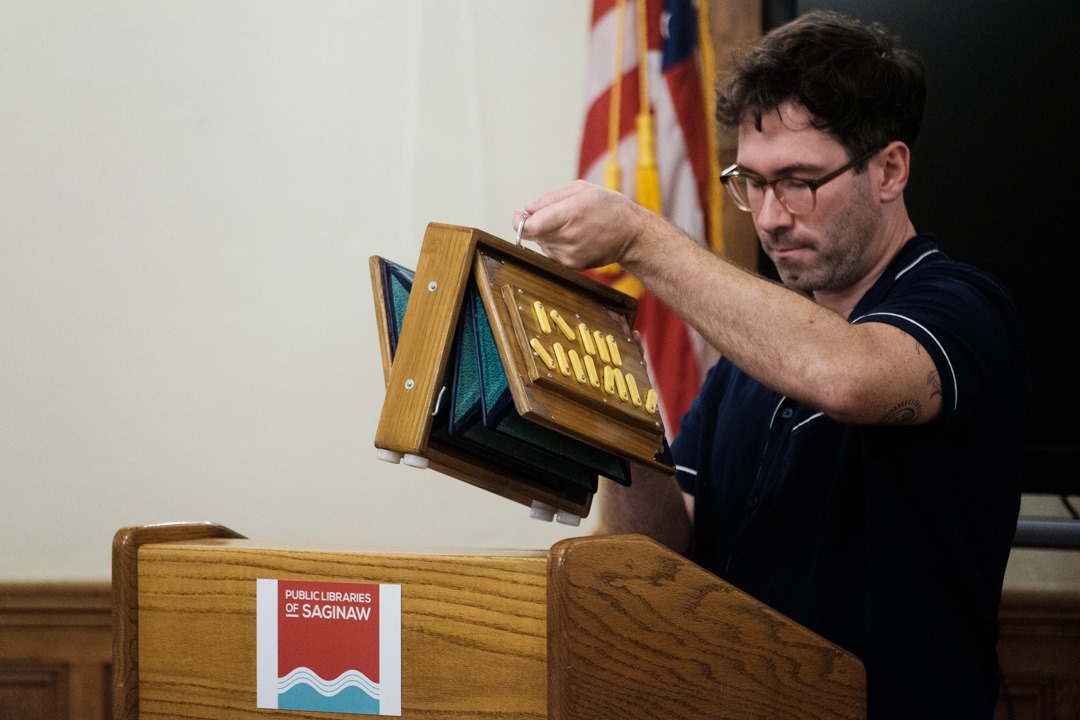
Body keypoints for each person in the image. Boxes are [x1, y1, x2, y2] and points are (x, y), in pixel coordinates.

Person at [512, 10, 1030, 719]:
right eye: (750, 182)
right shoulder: (743, 366)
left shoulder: (962, 307)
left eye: (797, 180)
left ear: (889, 168)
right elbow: (658, 548)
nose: (770, 216)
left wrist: (637, 236)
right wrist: (614, 422)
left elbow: (846, 376)